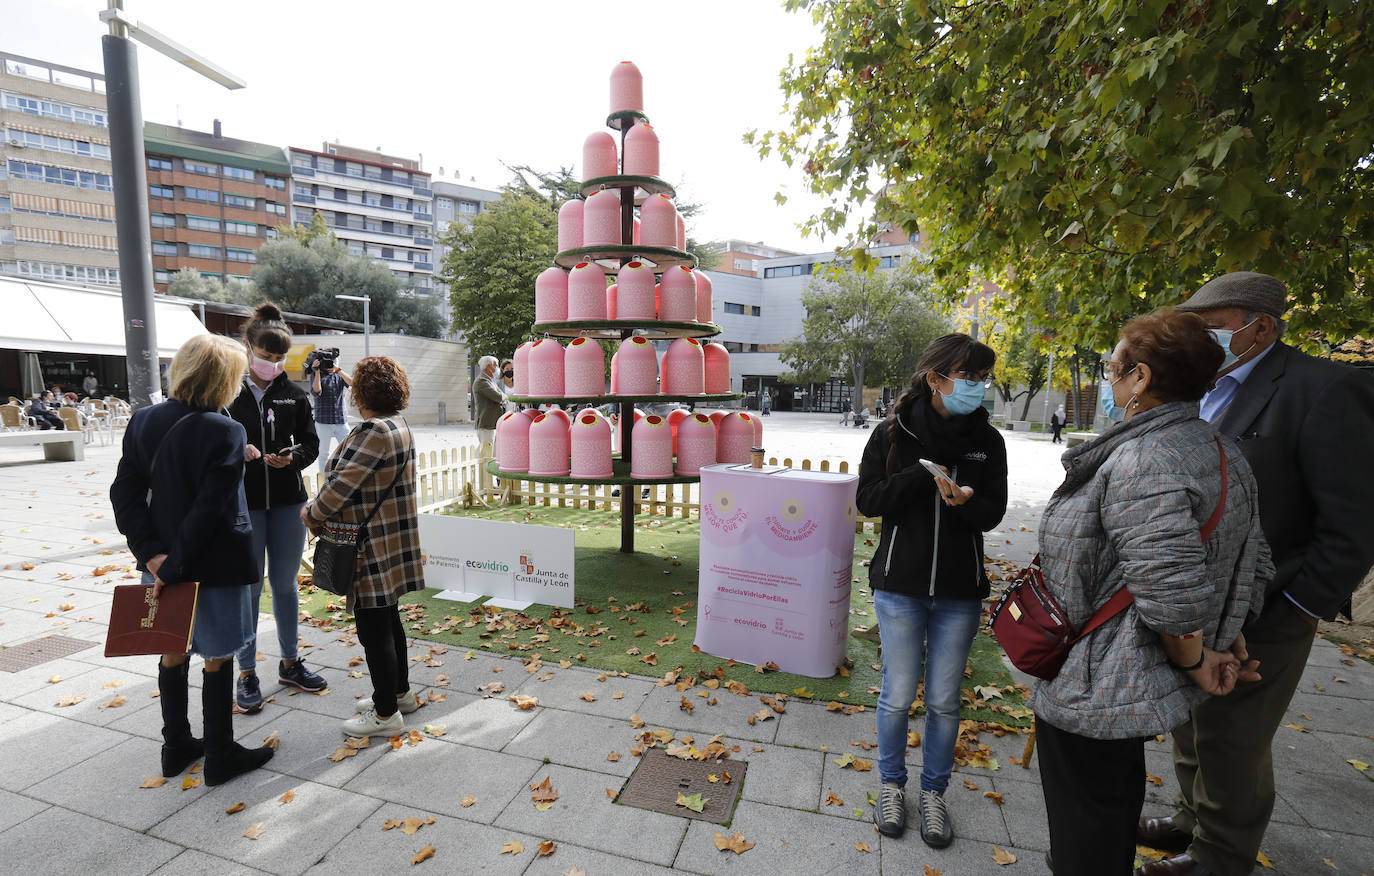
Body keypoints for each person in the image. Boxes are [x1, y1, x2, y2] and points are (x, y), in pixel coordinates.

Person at [1134, 273, 1374, 876]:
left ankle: (1221, 854)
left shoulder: (1326, 389)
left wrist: (1298, 604)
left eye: (1210, 324)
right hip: (1200, 600)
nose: (1196, 334)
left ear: (1259, 326)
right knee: (1191, 721)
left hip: (1270, 603)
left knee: (1233, 732)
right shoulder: (1201, 386)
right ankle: (1192, 819)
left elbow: (1353, 522)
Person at [1030, 309, 1271, 876]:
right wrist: (1224, 639)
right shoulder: (1217, 450)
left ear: (1140, 378)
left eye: (1113, 368)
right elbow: (1252, 562)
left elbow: (1171, 593)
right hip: (1119, 676)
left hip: (1100, 683)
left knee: (1088, 821)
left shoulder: (1145, 461)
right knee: (1105, 806)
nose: (1109, 380)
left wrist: (1197, 659)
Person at [856, 333, 1008, 848]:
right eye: (969, 377)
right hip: (899, 586)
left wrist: (964, 501)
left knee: (944, 701)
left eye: (983, 379)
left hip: (960, 592)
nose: (977, 387)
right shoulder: (892, 434)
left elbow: (993, 512)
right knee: (897, 696)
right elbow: (869, 499)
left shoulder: (988, 442)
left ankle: (934, 793)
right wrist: (924, 480)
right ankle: (892, 786)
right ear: (936, 379)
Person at [110, 334, 275, 785]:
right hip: (214, 563)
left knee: (171, 648)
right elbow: (210, 509)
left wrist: (153, 557)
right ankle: (220, 753)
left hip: (160, 562)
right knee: (218, 655)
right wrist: (174, 564)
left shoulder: (143, 420)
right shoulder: (226, 429)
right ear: (225, 379)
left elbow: (123, 493)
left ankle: (176, 745)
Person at [301, 356, 424, 737]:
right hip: (390, 536)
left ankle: (386, 714)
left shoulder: (372, 431)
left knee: (373, 629)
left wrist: (312, 513)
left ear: (360, 393)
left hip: (369, 543)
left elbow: (340, 486)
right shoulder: (398, 425)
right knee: (388, 619)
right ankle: (398, 694)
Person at [227, 303, 325, 713]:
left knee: (284, 587)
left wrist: (294, 456)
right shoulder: (227, 393)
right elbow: (211, 443)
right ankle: (246, 672)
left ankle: (289, 662)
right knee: (249, 590)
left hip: (288, 503)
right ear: (248, 348)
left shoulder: (294, 394)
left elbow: (312, 444)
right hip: (244, 505)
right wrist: (238, 449)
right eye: (266, 357)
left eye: (280, 358)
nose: (273, 364)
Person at [311, 353, 353, 477]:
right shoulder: (318, 375)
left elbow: (351, 383)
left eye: (332, 363)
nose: (329, 366)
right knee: (323, 453)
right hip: (323, 421)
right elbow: (316, 391)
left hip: (341, 420)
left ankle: (347, 476)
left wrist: (338, 370)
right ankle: (325, 479)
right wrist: (317, 372)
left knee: (349, 450)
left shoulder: (339, 376)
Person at [473, 355, 504, 457]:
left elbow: (502, 395)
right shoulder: (482, 382)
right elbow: (499, 397)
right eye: (496, 365)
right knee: (486, 451)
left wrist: (504, 397)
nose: (498, 368)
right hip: (486, 423)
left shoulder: (491, 381)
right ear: (489, 367)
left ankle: (483, 470)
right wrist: (504, 397)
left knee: (492, 452)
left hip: (492, 422)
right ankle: (478, 468)